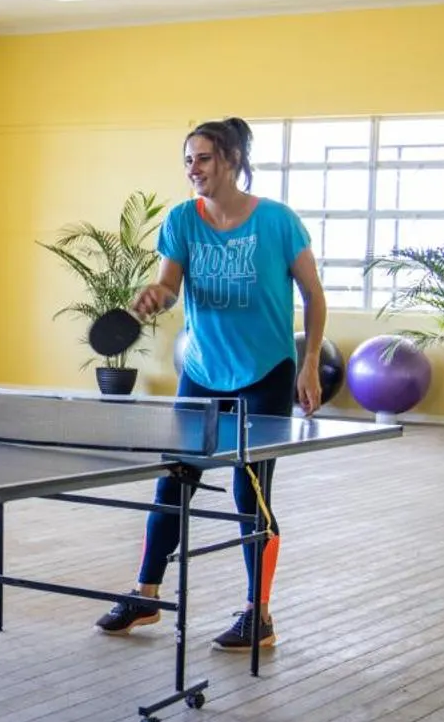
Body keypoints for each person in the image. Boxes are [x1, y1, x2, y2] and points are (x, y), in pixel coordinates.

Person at [96, 116, 327, 653]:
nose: (193, 169)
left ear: (230, 161)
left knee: (252, 494)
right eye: (187, 160)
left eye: (202, 158)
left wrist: (310, 361)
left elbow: (315, 296)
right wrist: (157, 295)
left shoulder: (277, 222)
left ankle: (258, 614)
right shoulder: (182, 219)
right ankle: (146, 592)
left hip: (266, 372)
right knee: (174, 480)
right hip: (201, 371)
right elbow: (170, 284)